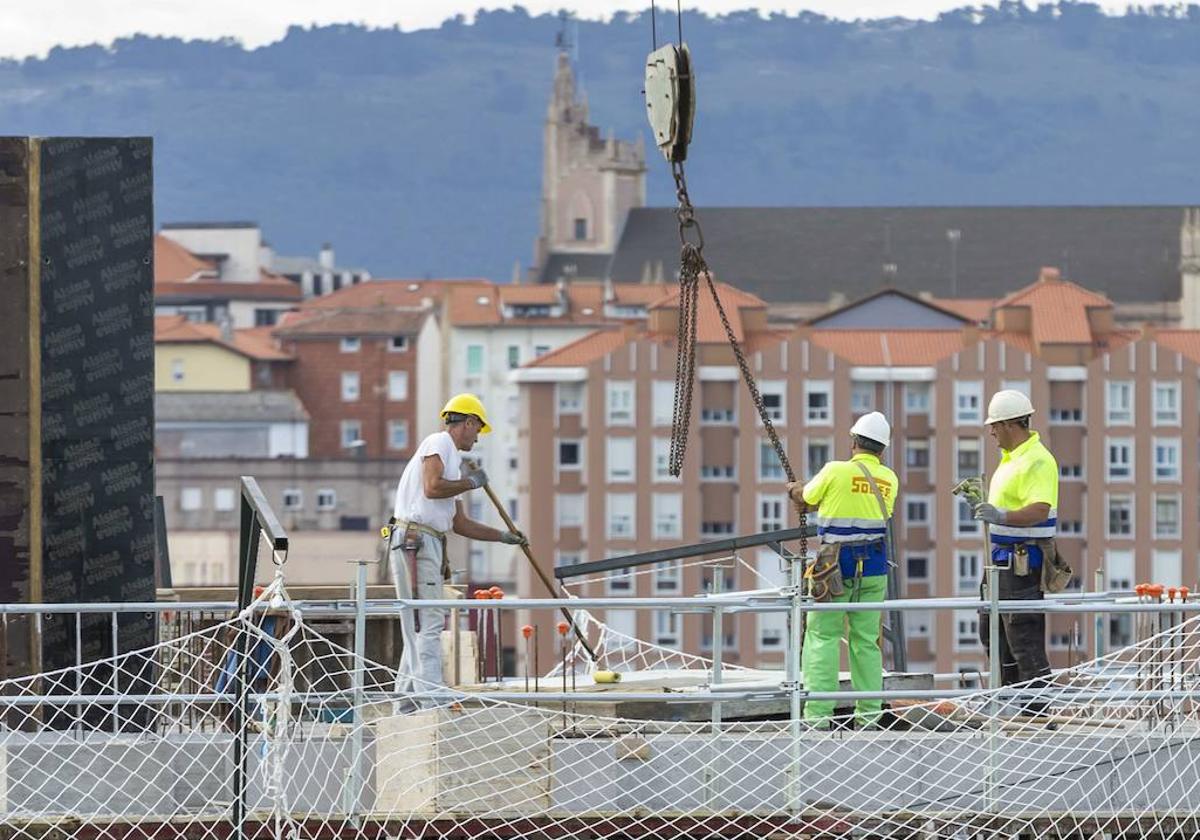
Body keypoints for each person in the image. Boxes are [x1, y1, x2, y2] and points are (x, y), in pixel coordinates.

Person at [390, 393, 526, 700]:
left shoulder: (451, 461)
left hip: (426, 541)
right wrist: (470, 482)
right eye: (478, 429)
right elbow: (432, 487)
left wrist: (503, 536)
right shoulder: (439, 443)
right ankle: (432, 701)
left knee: (418, 623)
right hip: (417, 540)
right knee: (429, 618)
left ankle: (407, 704)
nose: (477, 437)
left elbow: (460, 523)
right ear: (467, 422)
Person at [787, 411, 897, 730]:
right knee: (866, 639)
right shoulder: (889, 479)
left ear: (853, 442)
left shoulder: (835, 471)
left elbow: (807, 497)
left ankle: (818, 718)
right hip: (874, 565)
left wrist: (794, 489)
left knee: (823, 635)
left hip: (832, 564)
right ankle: (869, 715)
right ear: (882, 449)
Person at [972, 389, 1058, 698]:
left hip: (1020, 565)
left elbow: (1039, 510)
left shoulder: (1037, 461)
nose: (992, 432)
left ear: (1010, 424)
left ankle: (1035, 713)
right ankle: (1011, 701)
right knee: (992, 635)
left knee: (1023, 639)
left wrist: (1001, 515)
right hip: (998, 563)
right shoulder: (1010, 460)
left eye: (994, 425)